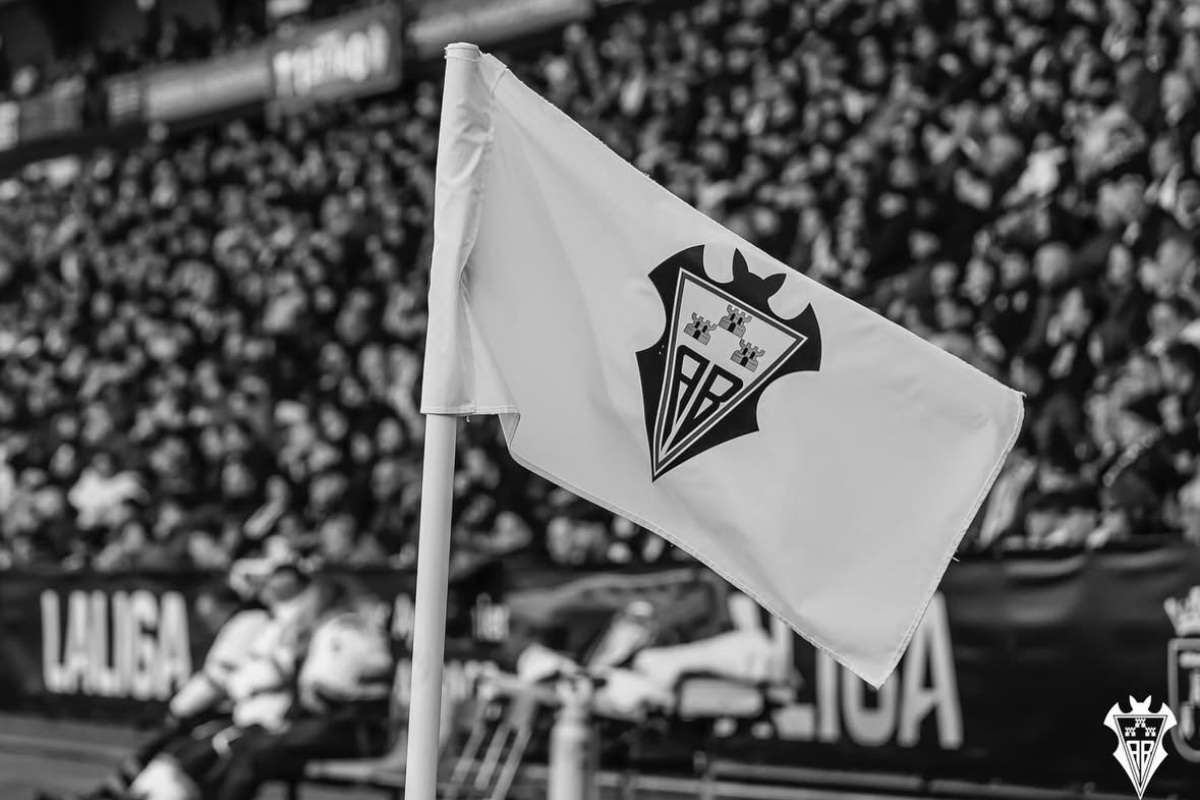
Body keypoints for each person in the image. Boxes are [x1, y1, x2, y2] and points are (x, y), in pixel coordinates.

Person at [128, 574, 393, 800]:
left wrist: (295, 712)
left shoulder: (342, 632)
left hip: (353, 730)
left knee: (253, 751)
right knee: (237, 748)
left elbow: (325, 691)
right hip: (345, 725)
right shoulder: (346, 629)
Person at [36, 583, 268, 800]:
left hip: (242, 719)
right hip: (232, 715)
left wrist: (180, 709)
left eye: (209, 613)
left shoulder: (248, 623)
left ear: (224, 605)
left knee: (172, 756)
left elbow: (217, 679)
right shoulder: (249, 622)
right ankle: (109, 795)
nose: (208, 622)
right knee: (161, 751)